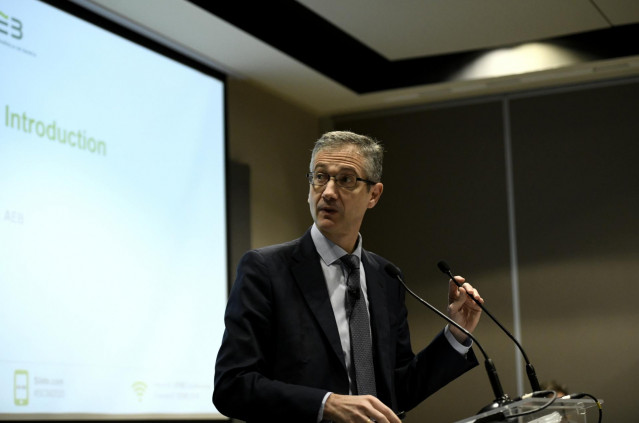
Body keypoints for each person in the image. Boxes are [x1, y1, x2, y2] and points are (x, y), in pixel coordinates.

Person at [213, 130, 484, 423]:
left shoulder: (386, 277)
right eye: (320, 176)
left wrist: (456, 334)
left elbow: (398, 391)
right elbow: (232, 385)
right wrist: (325, 404)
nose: (328, 191)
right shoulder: (266, 270)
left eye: (346, 179)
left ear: (374, 195)